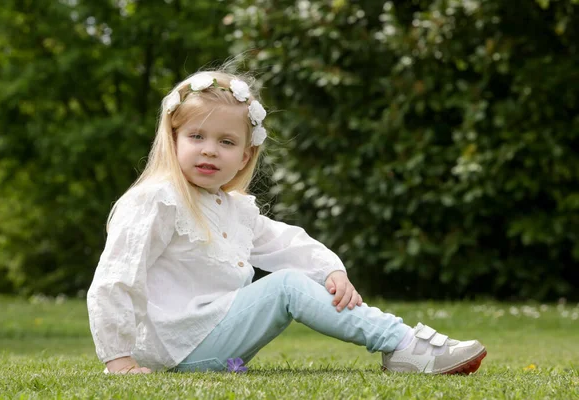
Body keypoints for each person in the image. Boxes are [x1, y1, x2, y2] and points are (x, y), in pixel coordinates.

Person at [87, 69, 487, 375]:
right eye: (196, 136)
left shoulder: (233, 207)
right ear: (173, 139)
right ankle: (402, 345)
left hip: (211, 342)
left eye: (226, 142)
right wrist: (119, 360)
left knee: (292, 277)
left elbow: (286, 242)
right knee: (286, 287)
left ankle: (401, 343)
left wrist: (330, 269)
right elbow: (115, 278)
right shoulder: (157, 199)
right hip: (172, 347)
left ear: (245, 156)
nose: (210, 150)